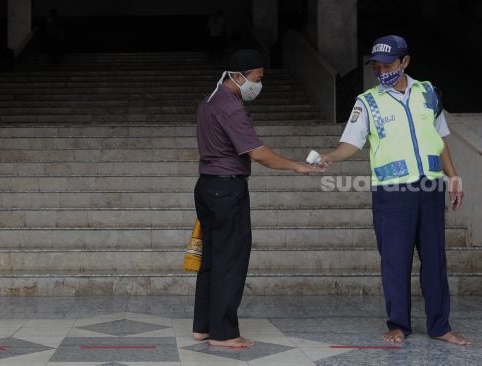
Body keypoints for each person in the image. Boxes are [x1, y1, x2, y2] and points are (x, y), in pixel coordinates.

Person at [319, 35, 470, 346]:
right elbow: (350, 144)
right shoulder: (368, 101)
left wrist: (454, 177)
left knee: (435, 261)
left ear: (405, 62)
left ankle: (440, 326)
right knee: (395, 260)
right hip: (392, 193)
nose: (381, 70)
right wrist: (330, 156)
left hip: (430, 189)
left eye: (388, 64)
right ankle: (398, 324)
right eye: (376, 65)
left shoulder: (428, 92)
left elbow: (439, 141)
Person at [193, 49, 324, 348]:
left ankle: (203, 326)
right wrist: (296, 166)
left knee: (212, 259)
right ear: (238, 77)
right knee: (230, 260)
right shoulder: (231, 107)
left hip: (207, 187)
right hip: (227, 190)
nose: (259, 85)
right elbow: (258, 153)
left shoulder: (209, 101)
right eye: (257, 78)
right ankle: (224, 333)